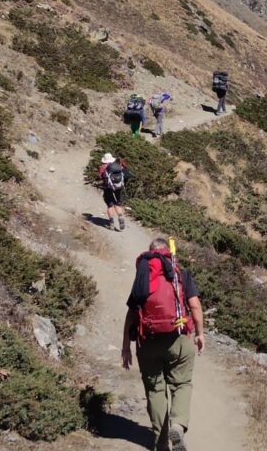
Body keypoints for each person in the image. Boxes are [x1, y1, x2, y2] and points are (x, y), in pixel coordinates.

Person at [122, 237, 205, 451]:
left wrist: (125, 347)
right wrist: (199, 334)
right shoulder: (180, 274)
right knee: (181, 384)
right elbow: (195, 306)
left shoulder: (143, 275)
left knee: (155, 390)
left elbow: (132, 314)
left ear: (150, 253)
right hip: (178, 338)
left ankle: (161, 442)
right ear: (169, 253)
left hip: (148, 341)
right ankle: (178, 424)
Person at [97, 153, 130, 231]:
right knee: (118, 204)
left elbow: (100, 176)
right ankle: (120, 217)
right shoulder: (118, 166)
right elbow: (125, 174)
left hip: (108, 188)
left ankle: (111, 224)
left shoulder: (103, 167)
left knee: (110, 205)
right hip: (118, 187)